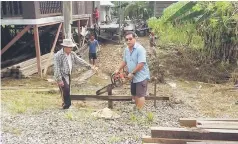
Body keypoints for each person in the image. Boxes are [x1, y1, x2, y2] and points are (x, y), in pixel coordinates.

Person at [54, 39, 94, 109]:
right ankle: (67, 105)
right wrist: (59, 79)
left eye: (71, 47)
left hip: (68, 74)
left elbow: (79, 60)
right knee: (65, 89)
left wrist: (89, 66)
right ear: (65, 47)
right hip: (61, 74)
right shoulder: (58, 55)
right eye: (70, 47)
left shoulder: (72, 54)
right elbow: (56, 68)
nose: (71, 48)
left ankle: (65, 103)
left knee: (67, 89)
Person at [114, 31, 150, 110]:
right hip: (133, 76)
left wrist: (132, 72)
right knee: (134, 94)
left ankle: (139, 112)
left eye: (130, 39)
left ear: (134, 39)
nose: (128, 41)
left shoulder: (140, 49)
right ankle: (137, 109)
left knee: (140, 95)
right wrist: (118, 69)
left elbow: (141, 64)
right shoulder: (126, 50)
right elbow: (124, 61)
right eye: (126, 39)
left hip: (141, 76)